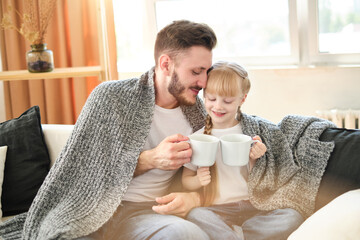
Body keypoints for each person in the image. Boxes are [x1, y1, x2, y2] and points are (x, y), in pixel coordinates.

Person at [0, 20, 217, 240]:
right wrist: (150, 159)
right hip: (89, 207)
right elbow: (81, 171)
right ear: (166, 64)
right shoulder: (110, 98)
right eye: (196, 71)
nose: (204, 81)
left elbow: (218, 176)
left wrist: (194, 199)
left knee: (186, 234)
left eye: (207, 71)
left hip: (148, 214)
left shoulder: (201, 115)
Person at [181, 61, 336, 240]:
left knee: (292, 216)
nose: (218, 106)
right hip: (217, 209)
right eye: (211, 99)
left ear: (242, 99)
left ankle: (236, 234)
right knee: (196, 216)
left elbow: (270, 179)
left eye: (228, 101)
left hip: (256, 207)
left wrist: (257, 160)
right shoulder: (198, 138)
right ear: (204, 97)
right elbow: (186, 180)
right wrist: (198, 180)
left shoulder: (254, 132)